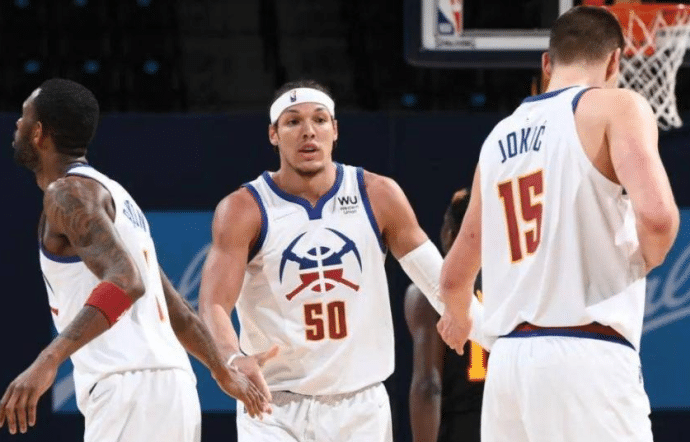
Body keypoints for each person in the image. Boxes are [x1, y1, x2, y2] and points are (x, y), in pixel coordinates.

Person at [438, 6, 679, 442]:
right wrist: (646, 259)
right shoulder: (616, 106)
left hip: (507, 370)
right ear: (615, 62)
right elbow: (659, 219)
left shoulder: (498, 138)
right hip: (585, 356)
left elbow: (455, 274)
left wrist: (457, 318)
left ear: (547, 64)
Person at [198, 79, 486, 441]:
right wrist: (231, 358)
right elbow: (213, 304)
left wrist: (500, 340)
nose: (308, 131)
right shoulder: (244, 209)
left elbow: (438, 281)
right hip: (274, 405)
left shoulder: (378, 194)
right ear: (273, 134)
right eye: (293, 121)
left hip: (359, 407)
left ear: (334, 130)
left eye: (319, 120)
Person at [0, 78, 271, 441]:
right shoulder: (116, 195)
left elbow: (127, 282)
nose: (18, 124)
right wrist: (223, 373)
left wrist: (46, 361)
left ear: (38, 133)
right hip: (174, 386)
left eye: (24, 116)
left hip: (128, 388)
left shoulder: (67, 193)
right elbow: (178, 310)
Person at [404, 188, 487, 442]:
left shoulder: (426, 294)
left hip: (460, 428)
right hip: (505, 423)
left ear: (450, 235)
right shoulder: (513, 285)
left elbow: (428, 385)